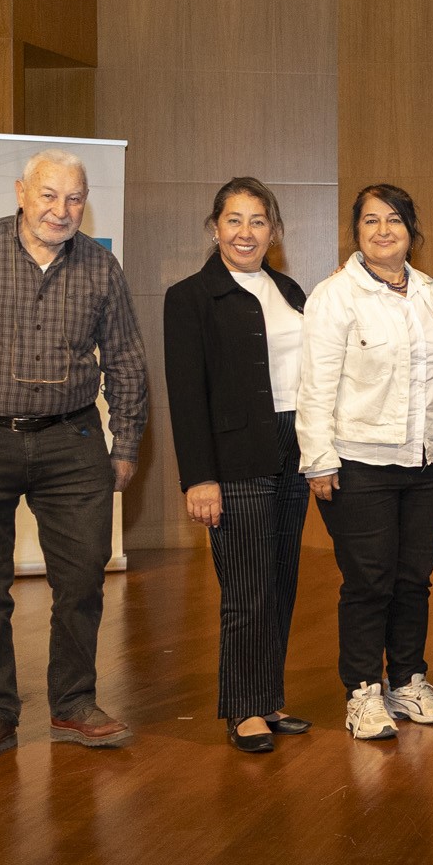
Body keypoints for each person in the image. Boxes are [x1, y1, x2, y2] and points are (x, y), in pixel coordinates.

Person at [0, 148, 150, 763]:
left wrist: (127, 445)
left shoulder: (101, 267)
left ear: (86, 204)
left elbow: (128, 363)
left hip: (72, 441)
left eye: (74, 198)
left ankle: (74, 703)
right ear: (21, 193)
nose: (61, 210)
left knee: (82, 579)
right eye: (49, 195)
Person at [299, 184, 433, 741]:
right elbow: (314, 385)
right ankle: (363, 690)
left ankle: (409, 680)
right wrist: (318, 459)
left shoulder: (431, 294)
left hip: (428, 462)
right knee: (369, 580)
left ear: (413, 230)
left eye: (395, 220)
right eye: (371, 221)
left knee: (414, 579)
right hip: (359, 463)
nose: (384, 230)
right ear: (356, 232)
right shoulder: (334, 296)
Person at [164, 178, 312, 754]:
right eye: (234, 220)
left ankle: (268, 697)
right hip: (234, 456)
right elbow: (185, 393)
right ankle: (243, 707)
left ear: (273, 231)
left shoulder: (291, 289)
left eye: (257, 221)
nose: (245, 232)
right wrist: (199, 477)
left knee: (280, 581)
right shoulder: (190, 297)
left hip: (294, 448)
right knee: (245, 585)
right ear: (214, 227)